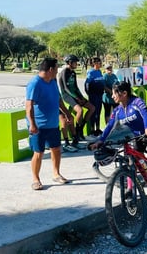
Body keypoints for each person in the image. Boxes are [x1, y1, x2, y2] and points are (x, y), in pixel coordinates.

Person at [89, 81, 147, 202]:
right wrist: (100, 141)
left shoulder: (137, 102)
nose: (112, 96)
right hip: (138, 137)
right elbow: (109, 126)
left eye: (115, 93)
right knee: (133, 162)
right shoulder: (118, 111)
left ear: (124, 93)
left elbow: (145, 113)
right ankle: (130, 189)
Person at [26, 57, 72, 190]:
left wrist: (67, 113)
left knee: (56, 149)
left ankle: (56, 173)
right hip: (39, 125)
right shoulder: (35, 83)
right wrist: (32, 124)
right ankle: (36, 179)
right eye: (56, 69)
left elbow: (58, 100)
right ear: (51, 69)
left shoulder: (52, 81)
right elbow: (28, 106)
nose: (57, 71)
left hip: (53, 124)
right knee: (38, 152)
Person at [58, 54, 95, 140]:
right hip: (67, 95)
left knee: (92, 108)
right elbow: (66, 88)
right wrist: (76, 98)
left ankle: (80, 128)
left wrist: (81, 97)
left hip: (75, 94)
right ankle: (77, 132)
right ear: (70, 63)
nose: (76, 64)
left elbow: (76, 86)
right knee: (80, 110)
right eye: (75, 62)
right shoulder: (64, 72)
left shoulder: (73, 73)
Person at [85, 57, 105, 136]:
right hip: (93, 95)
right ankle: (92, 129)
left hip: (100, 95)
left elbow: (102, 83)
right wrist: (89, 94)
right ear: (95, 63)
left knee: (99, 111)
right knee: (94, 112)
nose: (100, 64)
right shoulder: (91, 72)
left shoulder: (99, 71)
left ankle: (98, 128)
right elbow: (87, 84)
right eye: (99, 62)